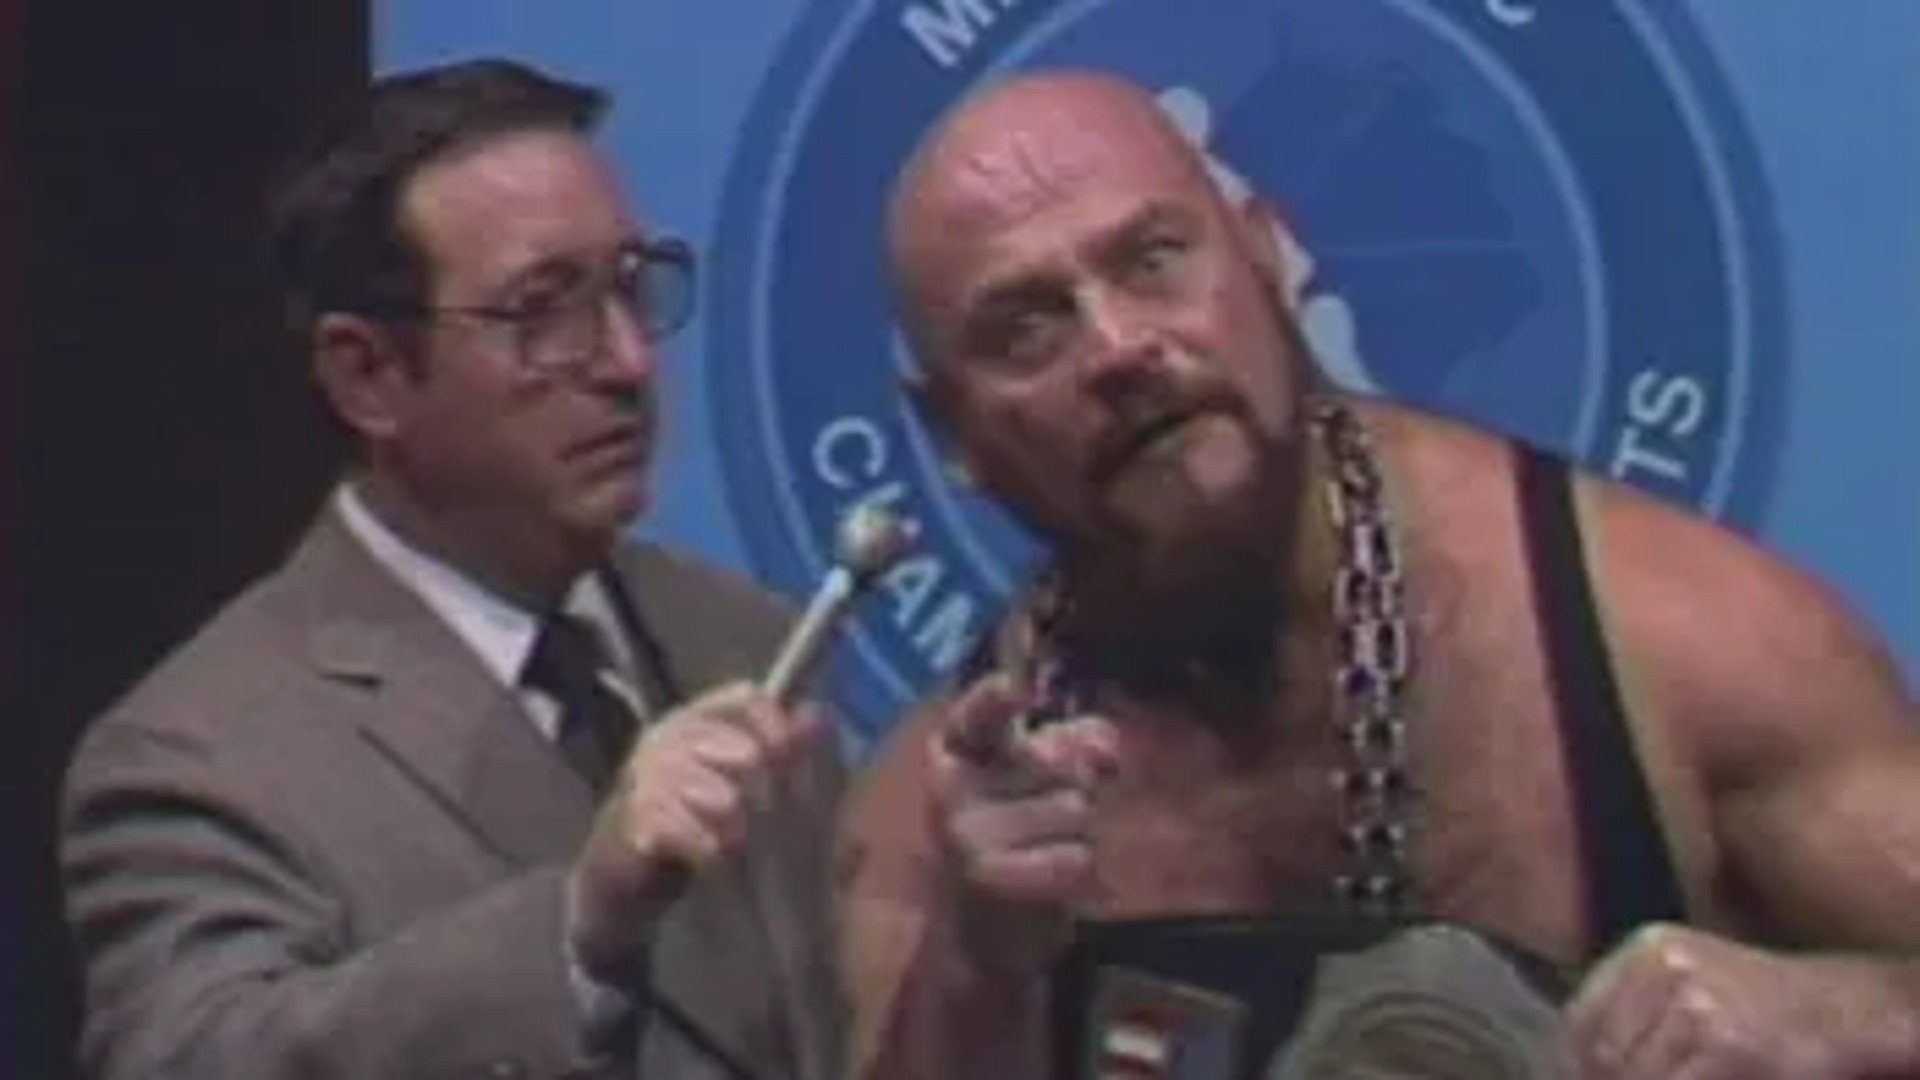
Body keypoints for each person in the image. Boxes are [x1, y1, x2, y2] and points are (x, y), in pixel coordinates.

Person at [839, 69, 1920, 1080]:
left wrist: (1830, 1016)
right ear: (952, 434)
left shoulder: (1678, 647)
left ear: (1267, 256)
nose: (1118, 348)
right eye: (1026, 327)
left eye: (1153, 259)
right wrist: (981, 965)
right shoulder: (921, 835)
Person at [61, 58, 844, 1080]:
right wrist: (579, 925)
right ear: (369, 376)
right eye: (541, 312)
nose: (627, 361)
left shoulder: (738, 635)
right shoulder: (199, 753)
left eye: (626, 285)